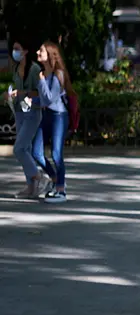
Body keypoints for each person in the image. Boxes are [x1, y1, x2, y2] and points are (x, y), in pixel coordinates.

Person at [4, 40, 49, 199]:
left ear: (25, 51)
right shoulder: (16, 69)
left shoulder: (35, 69)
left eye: (17, 49)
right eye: (13, 49)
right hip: (20, 112)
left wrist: (22, 93)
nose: (14, 52)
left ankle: (38, 176)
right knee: (26, 149)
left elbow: (41, 94)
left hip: (33, 113)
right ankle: (31, 187)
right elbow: (18, 92)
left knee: (19, 149)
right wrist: (9, 96)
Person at [35, 41, 72, 203]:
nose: (37, 52)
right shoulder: (45, 74)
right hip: (47, 115)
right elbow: (43, 100)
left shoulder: (58, 74)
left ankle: (61, 190)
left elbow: (50, 98)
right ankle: (56, 178)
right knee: (36, 152)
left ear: (49, 54)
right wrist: (28, 100)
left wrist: (41, 81)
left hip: (59, 117)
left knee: (56, 153)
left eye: (41, 51)